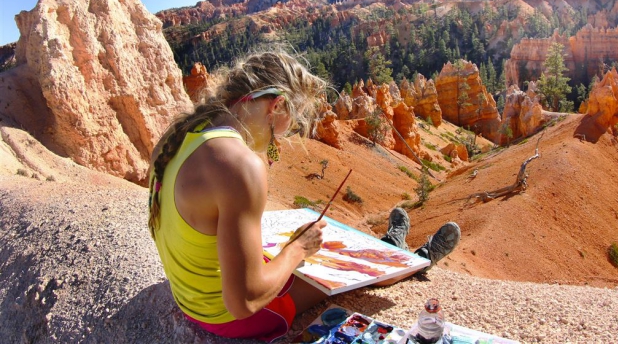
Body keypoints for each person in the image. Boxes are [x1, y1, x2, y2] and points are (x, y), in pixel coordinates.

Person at [147, 49, 461, 342]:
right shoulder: (238, 164)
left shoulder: (182, 137)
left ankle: (393, 245)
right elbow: (244, 301)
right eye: (291, 123)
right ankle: (412, 259)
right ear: (276, 106)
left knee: (299, 255)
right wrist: (299, 248)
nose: (285, 135)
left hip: (190, 296)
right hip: (226, 316)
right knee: (346, 269)